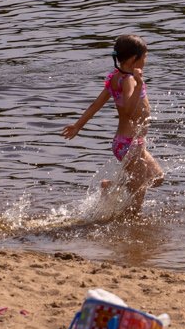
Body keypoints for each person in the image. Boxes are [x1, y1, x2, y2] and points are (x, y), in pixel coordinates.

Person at [62, 33, 163, 203]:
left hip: (129, 142)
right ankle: (132, 221)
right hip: (130, 144)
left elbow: (95, 104)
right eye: (144, 57)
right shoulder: (129, 80)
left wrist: (78, 126)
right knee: (138, 192)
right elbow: (129, 109)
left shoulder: (116, 77)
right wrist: (139, 84)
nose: (146, 61)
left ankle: (112, 185)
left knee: (157, 177)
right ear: (133, 59)